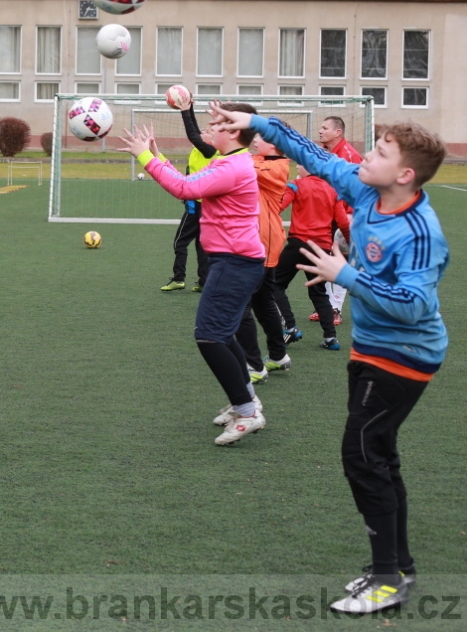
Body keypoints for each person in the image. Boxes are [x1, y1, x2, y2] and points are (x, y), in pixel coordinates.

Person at [211, 103, 448, 615]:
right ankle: (396, 567)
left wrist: (346, 276)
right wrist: (255, 125)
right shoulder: (366, 187)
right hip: (372, 349)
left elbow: (415, 306)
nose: (365, 155)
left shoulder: (420, 232)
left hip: (406, 355)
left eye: (380, 151)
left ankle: (387, 580)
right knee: (378, 454)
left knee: (363, 454)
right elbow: (310, 153)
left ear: (405, 174)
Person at [116, 105, 267, 446]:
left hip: (236, 263)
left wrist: (145, 158)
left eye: (217, 124)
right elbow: (191, 182)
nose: (210, 128)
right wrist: (157, 157)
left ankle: (247, 412)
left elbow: (185, 190)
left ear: (233, 132)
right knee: (223, 334)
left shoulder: (234, 165)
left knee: (209, 337)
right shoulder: (228, 161)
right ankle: (247, 401)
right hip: (232, 261)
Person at [235, 132, 292, 382]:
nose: (255, 141)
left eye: (262, 138)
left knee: (241, 304)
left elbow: (244, 165)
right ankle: (279, 356)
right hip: (261, 241)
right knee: (263, 301)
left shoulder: (278, 166)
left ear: (276, 146)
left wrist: (232, 149)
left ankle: (254, 365)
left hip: (263, 243)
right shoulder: (258, 159)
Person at [274, 165, 352, 349]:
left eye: (299, 164)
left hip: (298, 245)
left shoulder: (297, 185)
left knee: (275, 284)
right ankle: (331, 338)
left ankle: (291, 326)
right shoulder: (333, 190)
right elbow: (343, 222)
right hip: (322, 248)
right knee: (320, 293)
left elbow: (279, 206)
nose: (297, 167)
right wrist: (349, 243)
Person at [162, 104, 215, 292]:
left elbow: (192, 134)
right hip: (205, 205)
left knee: (180, 241)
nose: (203, 131)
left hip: (196, 204)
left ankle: (178, 278)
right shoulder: (204, 148)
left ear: (212, 140)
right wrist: (189, 105)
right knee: (201, 244)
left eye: (208, 131)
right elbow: (195, 132)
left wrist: (184, 111)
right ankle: (203, 282)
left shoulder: (209, 150)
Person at [317, 116, 362, 326]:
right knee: (322, 259)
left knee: (341, 261)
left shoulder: (350, 156)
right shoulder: (325, 153)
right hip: (326, 214)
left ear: (338, 132)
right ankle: (326, 307)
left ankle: (336, 309)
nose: (320, 131)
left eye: (325, 128)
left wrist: (350, 218)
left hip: (344, 216)